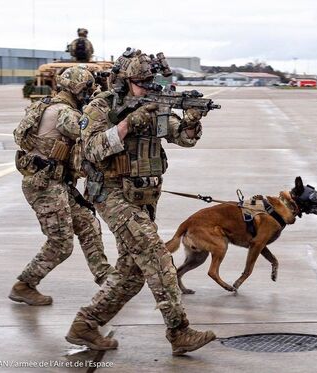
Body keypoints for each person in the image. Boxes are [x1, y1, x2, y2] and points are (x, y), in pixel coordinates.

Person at [65, 48, 216, 355]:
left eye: (151, 81)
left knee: (131, 274)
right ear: (123, 82)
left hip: (143, 197)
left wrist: (191, 120)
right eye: (141, 82)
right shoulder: (101, 107)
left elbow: (183, 138)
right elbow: (92, 149)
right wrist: (127, 123)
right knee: (157, 257)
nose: (148, 87)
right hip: (111, 194)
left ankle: (85, 325)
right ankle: (179, 332)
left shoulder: (154, 105)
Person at [9, 65, 116, 306]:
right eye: (88, 89)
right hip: (44, 185)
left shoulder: (50, 104)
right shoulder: (64, 113)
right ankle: (25, 284)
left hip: (54, 182)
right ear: (79, 89)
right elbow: (88, 130)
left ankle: (106, 277)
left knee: (87, 222)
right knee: (61, 243)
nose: (89, 93)